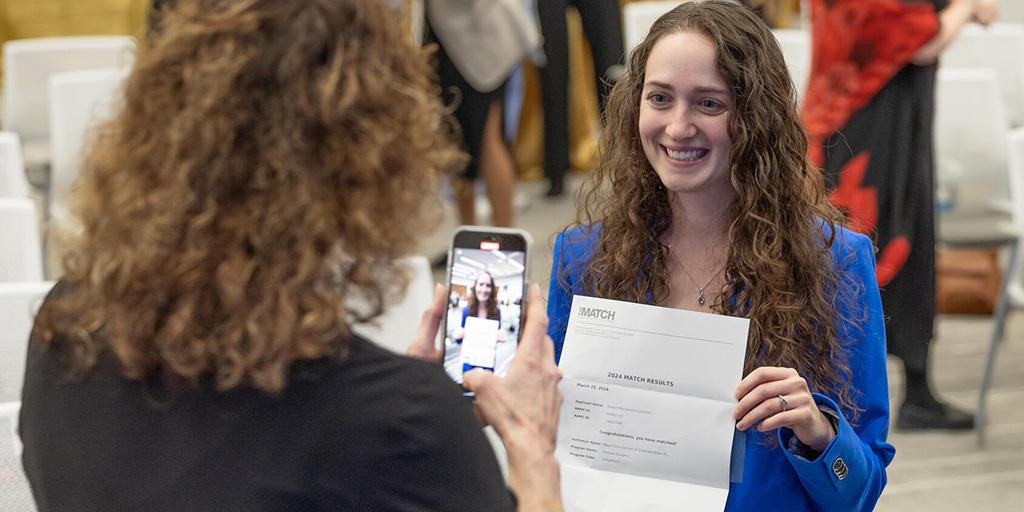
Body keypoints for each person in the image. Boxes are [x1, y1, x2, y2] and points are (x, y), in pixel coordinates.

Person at [19, 1, 563, 510]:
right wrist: (530, 446)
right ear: (374, 154)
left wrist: (397, 393)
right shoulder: (405, 430)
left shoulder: (63, 331)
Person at [546, 2, 894, 510]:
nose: (678, 127)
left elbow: (861, 492)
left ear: (756, 117)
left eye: (709, 104)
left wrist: (818, 432)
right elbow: (553, 445)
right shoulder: (582, 259)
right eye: (660, 98)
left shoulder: (834, 262)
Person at [802, 0, 999, 430]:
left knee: (900, 249)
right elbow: (922, 40)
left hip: (882, 120)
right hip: (864, 126)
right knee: (863, 256)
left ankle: (913, 389)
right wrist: (967, 8)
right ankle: (836, 395)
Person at [453, 271, 508, 343]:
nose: (484, 290)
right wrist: (458, 335)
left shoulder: (497, 312)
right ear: (475, 287)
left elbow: (495, 338)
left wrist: (501, 337)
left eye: (488, 285)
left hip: (488, 352)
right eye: (481, 284)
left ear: (492, 290)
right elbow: (460, 341)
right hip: (469, 353)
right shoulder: (466, 311)